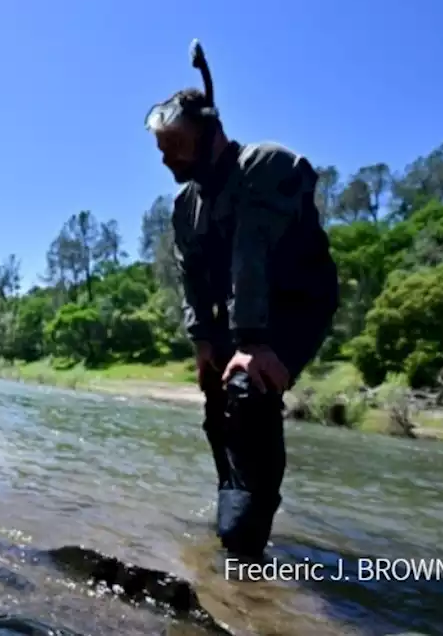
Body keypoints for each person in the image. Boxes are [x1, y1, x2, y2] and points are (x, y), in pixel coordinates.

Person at [144, 41, 339, 561]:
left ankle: (245, 545)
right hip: (237, 315)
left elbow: (251, 251)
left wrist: (253, 342)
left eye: (176, 146)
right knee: (218, 395)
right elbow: (190, 274)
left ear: (211, 132)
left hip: (295, 305)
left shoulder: (266, 166)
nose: (166, 159)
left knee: (249, 391)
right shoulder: (185, 205)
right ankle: (233, 518)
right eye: (161, 149)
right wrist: (203, 339)